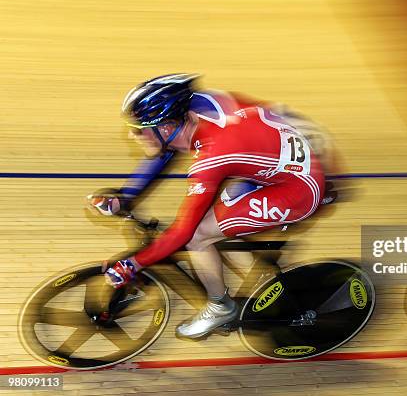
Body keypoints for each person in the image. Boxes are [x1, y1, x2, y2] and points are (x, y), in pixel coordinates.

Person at [88, 73, 328, 338]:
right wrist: (126, 195)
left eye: (139, 128)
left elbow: (183, 231)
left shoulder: (212, 156)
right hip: (275, 165)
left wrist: (132, 264)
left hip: (297, 190)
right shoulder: (202, 104)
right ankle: (263, 280)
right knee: (221, 222)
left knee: (199, 236)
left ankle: (220, 307)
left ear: (166, 126)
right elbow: (167, 149)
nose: (133, 134)